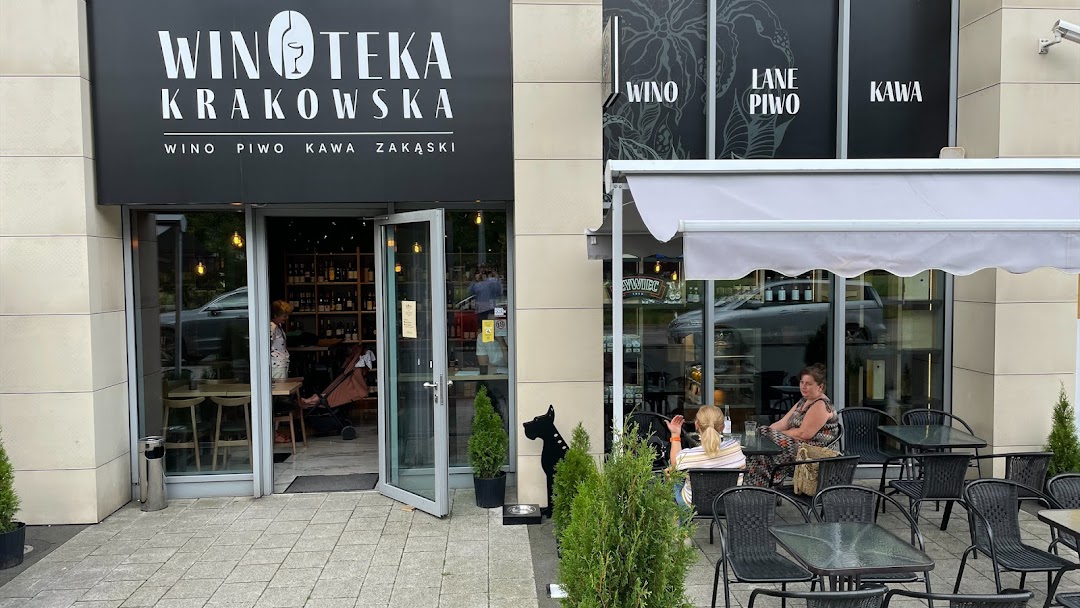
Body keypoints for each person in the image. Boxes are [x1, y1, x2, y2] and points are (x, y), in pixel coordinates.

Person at [742, 363, 839, 487]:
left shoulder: (821, 405)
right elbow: (784, 423)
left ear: (820, 387)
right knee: (761, 448)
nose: (803, 386)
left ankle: (761, 487)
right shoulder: (804, 401)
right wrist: (767, 434)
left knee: (764, 440)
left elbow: (803, 434)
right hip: (799, 446)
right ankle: (760, 488)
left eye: (808, 384)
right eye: (802, 382)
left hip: (812, 452)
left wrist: (773, 435)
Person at [665, 405, 746, 508]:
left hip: (693, 506)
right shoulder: (735, 448)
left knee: (673, 476)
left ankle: (680, 518)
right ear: (723, 427)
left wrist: (675, 434)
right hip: (728, 504)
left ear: (696, 425)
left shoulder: (687, 456)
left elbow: (675, 465)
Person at [299, 345, 371, 409]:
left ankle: (310, 400)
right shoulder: (353, 374)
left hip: (333, 396)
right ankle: (311, 400)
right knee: (323, 394)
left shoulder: (354, 373)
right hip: (338, 392)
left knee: (322, 396)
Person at [270, 300, 293, 380]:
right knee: (280, 386)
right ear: (275, 315)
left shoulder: (278, 326)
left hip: (281, 363)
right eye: (284, 316)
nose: (287, 318)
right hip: (276, 364)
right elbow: (267, 346)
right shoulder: (272, 327)